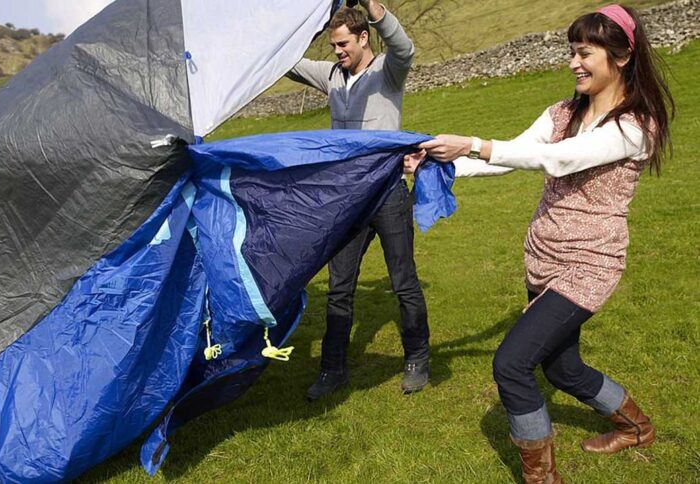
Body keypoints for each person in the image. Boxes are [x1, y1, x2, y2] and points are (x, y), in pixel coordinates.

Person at [415, 4, 674, 482]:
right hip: (543, 258)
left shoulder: (635, 127)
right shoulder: (560, 113)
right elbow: (511, 156)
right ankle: (636, 427)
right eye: (571, 52)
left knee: (512, 364)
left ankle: (541, 478)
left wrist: (471, 141)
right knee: (563, 369)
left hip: (590, 264)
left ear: (619, 56)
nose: (574, 62)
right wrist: (436, 165)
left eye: (585, 52)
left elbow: (559, 160)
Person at [287, 1, 430, 400]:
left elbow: (405, 48)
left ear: (364, 37)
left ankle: (417, 359)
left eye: (344, 43)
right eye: (333, 45)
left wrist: (373, 7)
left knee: (403, 282)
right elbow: (287, 62)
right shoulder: (331, 75)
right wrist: (309, 24)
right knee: (339, 287)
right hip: (348, 199)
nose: (337, 51)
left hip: (387, 193)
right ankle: (333, 370)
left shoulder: (388, 71)